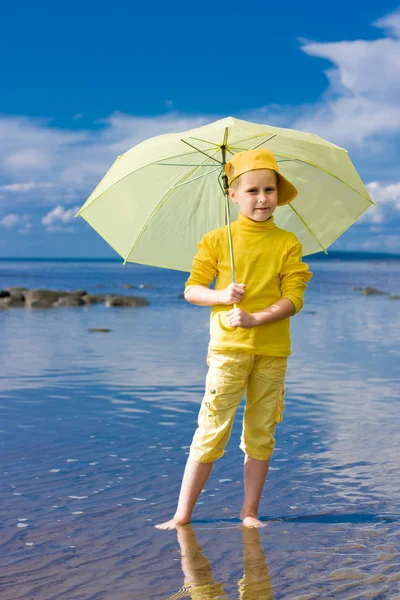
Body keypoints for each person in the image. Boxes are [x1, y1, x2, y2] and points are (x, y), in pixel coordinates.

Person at [156, 148, 313, 530]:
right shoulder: (216, 240)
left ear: (279, 193)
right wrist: (221, 296)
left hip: (273, 352)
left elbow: (294, 297)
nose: (262, 199)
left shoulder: (287, 242)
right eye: (252, 191)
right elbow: (192, 289)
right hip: (228, 351)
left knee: (261, 432)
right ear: (233, 194)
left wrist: (255, 317)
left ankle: (249, 512)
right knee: (211, 428)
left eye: (269, 190)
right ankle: (182, 514)